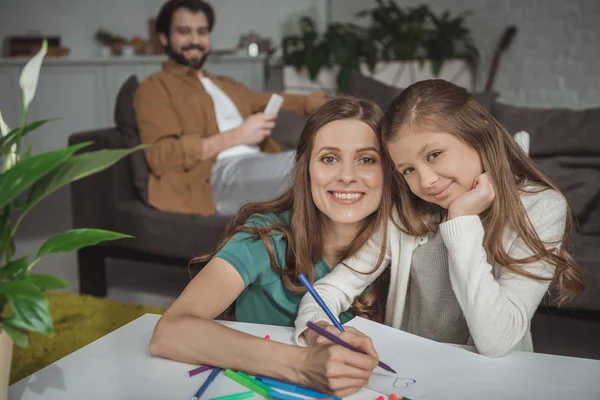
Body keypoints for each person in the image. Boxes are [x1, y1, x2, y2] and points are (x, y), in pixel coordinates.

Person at [295, 79, 585, 358]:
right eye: (407, 170)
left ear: (478, 135)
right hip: (410, 376)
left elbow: (497, 341)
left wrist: (460, 220)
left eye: (434, 154)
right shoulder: (409, 210)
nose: (427, 181)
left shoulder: (541, 208)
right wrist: (319, 331)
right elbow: (332, 289)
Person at [149, 97, 396, 397]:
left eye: (367, 159)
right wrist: (302, 364)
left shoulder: (402, 246)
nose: (346, 176)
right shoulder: (265, 235)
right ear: (306, 168)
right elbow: (169, 332)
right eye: (329, 158)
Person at [135, 0, 327, 216]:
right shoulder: (155, 87)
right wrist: (238, 136)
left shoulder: (224, 85)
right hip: (213, 177)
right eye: (184, 32)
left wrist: (324, 103)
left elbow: (272, 99)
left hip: (258, 163)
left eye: (202, 32)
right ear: (164, 38)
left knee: (334, 162)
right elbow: (161, 157)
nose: (195, 40)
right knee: (314, 165)